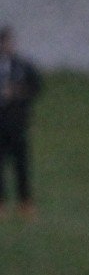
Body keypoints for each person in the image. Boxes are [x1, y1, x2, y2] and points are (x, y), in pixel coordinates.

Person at [0, 26, 42, 219]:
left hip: (17, 123)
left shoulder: (23, 66)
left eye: (10, 42)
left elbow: (35, 87)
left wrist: (16, 92)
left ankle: (25, 203)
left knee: (21, 164)